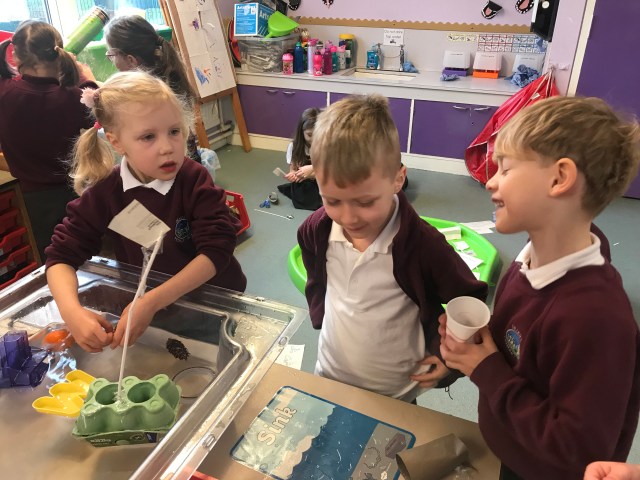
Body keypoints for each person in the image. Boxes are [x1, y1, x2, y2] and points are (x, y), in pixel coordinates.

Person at [439, 96, 640, 480]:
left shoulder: (596, 319)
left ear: (559, 178)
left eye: (505, 168)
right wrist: (468, 352)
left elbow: (577, 451)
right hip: (514, 448)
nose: (490, 181)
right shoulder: (530, 258)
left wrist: (486, 369)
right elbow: (520, 346)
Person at [297, 94, 488, 403]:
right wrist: (319, 313)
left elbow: (468, 299)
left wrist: (448, 358)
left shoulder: (424, 245)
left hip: (395, 392)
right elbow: (316, 276)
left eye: (365, 202)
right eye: (332, 200)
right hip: (330, 376)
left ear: (398, 179)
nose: (349, 217)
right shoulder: (316, 230)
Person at [45, 71, 246, 354]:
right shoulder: (107, 192)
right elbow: (60, 257)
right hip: (153, 314)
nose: (167, 147)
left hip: (210, 305)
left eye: (174, 131)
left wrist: (152, 302)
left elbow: (217, 250)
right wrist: (72, 312)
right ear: (116, 142)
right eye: (148, 137)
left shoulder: (193, 178)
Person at [0, 20, 98, 262]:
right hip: (74, 194)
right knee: (85, 261)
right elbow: (99, 109)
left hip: (29, 200)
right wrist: (87, 79)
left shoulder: (4, 92)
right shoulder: (74, 96)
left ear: (15, 56)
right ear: (59, 54)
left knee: (50, 262)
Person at [104, 15, 201, 164]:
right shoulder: (167, 80)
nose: (112, 61)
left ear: (130, 60)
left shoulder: (145, 99)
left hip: (169, 167)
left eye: (111, 55)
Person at [278, 107, 323, 211]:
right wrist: (294, 175)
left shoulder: (326, 145)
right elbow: (293, 169)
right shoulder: (294, 146)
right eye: (309, 135)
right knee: (302, 199)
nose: (314, 139)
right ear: (301, 132)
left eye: (317, 134)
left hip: (321, 179)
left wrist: (312, 169)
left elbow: (330, 169)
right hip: (305, 182)